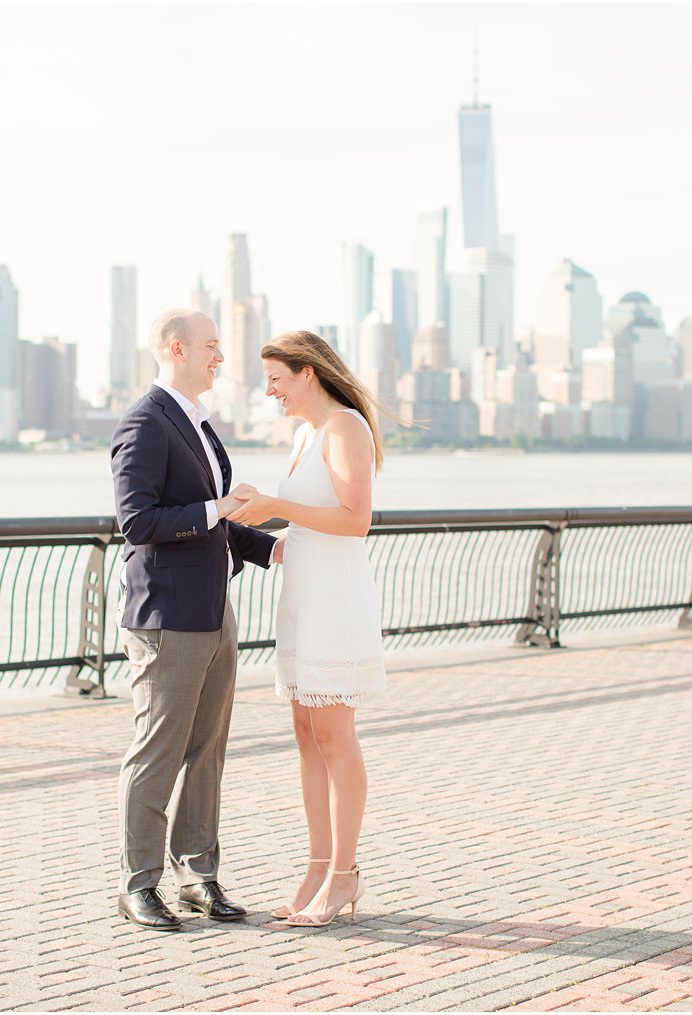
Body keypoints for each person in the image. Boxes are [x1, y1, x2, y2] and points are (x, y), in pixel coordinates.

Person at [109, 308, 282, 932]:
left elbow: (216, 519)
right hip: (166, 619)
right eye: (211, 346)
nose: (220, 356)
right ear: (176, 349)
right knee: (158, 751)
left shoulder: (199, 423)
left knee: (207, 750)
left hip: (213, 610)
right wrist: (217, 508)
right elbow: (138, 523)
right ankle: (138, 884)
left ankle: (198, 875)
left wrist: (271, 548)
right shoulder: (145, 424)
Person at [225, 329, 403, 927]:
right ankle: (318, 863)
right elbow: (309, 518)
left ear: (308, 373)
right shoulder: (304, 434)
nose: (270, 391)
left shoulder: (345, 426)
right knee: (306, 733)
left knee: (334, 735)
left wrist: (277, 505)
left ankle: (344, 875)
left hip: (336, 599)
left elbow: (356, 522)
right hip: (302, 593)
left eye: (276, 379)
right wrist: (265, 516)